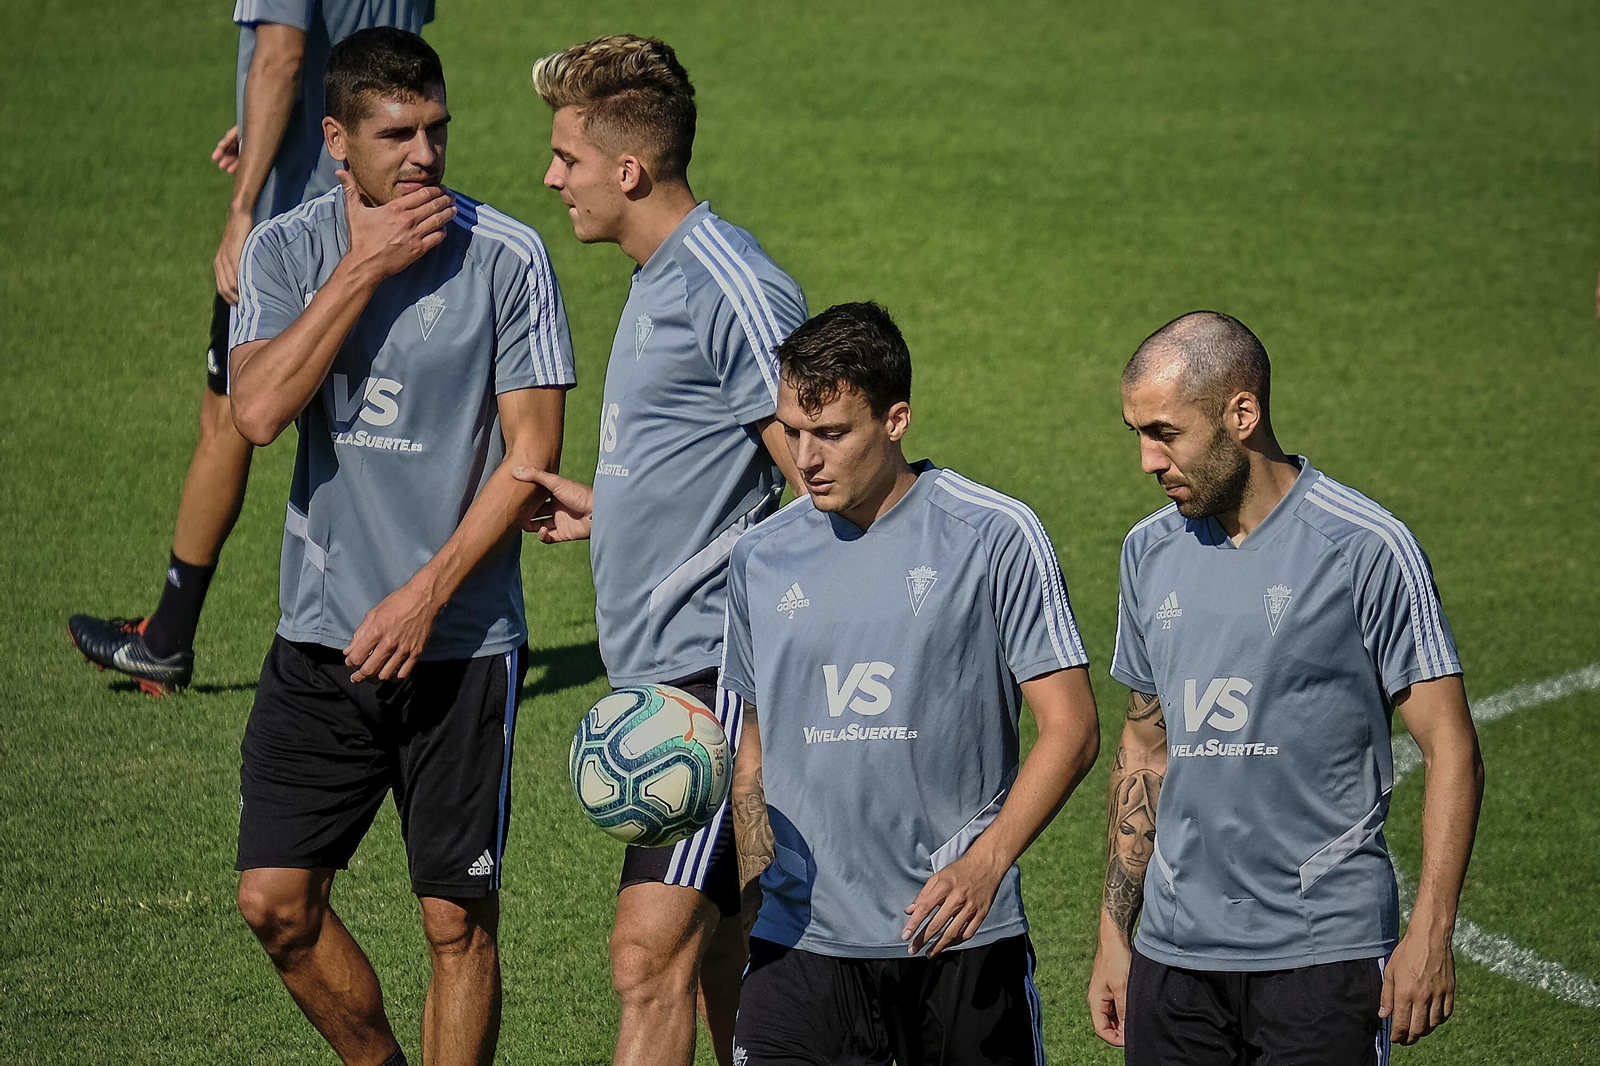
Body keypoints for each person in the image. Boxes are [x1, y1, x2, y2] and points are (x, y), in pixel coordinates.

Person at [227, 29, 573, 1066]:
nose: (424, 156)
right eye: (396, 135)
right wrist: (364, 265)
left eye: (436, 130)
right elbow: (254, 411)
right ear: (338, 140)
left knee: (454, 924)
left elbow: (532, 456)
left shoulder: (507, 257)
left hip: (460, 642)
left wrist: (424, 596)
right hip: (320, 635)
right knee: (276, 902)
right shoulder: (285, 251)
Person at [513, 35, 807, 1066]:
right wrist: (620, 510)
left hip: (711, 672)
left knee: (647, 961)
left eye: (566, 157)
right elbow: (722, 463)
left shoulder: (729, 286)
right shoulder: (659, 274)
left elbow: (821, 481)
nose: (552, 178)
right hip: (665, 664)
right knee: (725, 952)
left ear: (628, 169)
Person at [1088, 311, 1485, 1065]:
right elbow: (1145, 746)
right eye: (1136, 432)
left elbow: (1451, 746)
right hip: (1174, 961)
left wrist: (1431, 930)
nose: (1145, 459)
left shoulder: (1365, 547)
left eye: (1164, 432)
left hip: (1320, 957)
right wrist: (1115, 935)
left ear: (1243, 413)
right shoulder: (1148, 552)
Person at [721, 302, 1102, 1065]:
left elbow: (1075, 728)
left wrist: (987, 864)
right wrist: (757, 892)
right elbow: (753, 747)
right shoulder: (759, 556)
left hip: (954, 937)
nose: (807, 458)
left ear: (896, 420)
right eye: (794, 431)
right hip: (801, 945)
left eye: (833, 433)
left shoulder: (992, 534)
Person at [67, 0, 433, 695]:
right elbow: (393, 62)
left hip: (299, 223)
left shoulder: (277, 242)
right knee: (391, 424)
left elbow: (280, 57)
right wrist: (286, 127)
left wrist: (244, 204)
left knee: (232, 418)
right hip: (386, 206)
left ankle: (168, 638)